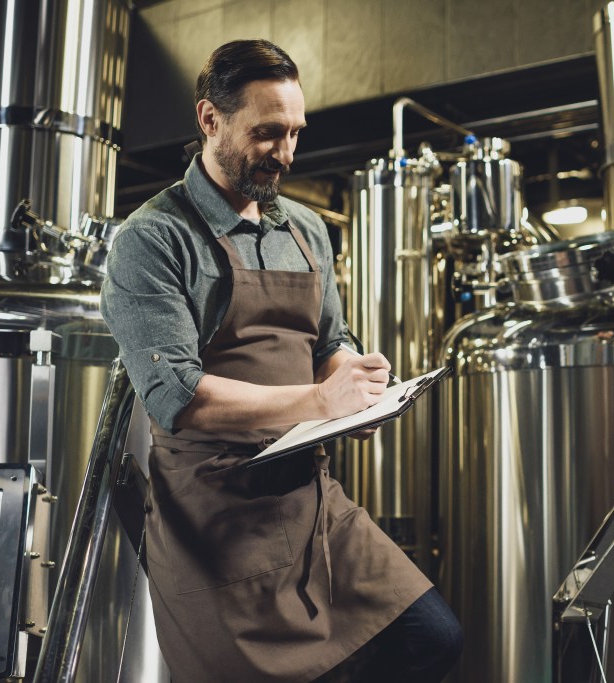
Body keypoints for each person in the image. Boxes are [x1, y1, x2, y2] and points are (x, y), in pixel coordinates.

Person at [100, 39, 463, 682]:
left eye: (296, 132)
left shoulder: (305, 227)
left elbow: (329, 339)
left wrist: (355, 382)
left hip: (307, 496)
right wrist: (322, 402)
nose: (287, 154)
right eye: (267, 134)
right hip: (211, 515)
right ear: (210, 119)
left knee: (433, 636)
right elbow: (177, 396)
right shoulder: (152, 239)